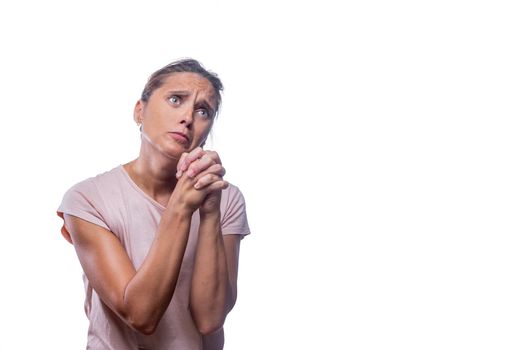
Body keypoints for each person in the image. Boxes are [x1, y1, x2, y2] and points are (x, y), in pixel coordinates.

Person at [57, 58, 250, 350]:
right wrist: (182, 207)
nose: (188, 117)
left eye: (203, 111)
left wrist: (210, 212)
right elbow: (140, 315)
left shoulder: (226, 198)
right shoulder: (87, 199)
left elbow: (210, 320)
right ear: (140, 110)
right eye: (175, 99)